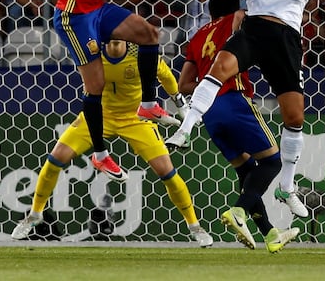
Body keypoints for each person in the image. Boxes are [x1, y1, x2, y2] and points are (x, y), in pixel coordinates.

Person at [167, 0, 325, 218]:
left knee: (294, 118)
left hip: (285, 38)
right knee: (218, 69)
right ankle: (185, 130)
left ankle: (287, 187)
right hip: (254, 28)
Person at [11, 39, 213, 247]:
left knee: (167, 172)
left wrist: (180, 104)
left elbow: (165, 76)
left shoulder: (143, 54)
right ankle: (34, 215)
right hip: (99, 116)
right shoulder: (92, 54)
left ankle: (195, 227)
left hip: (136, 119)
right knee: (55, 159)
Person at [53, 0, 175, 182]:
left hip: (96, 9)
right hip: (73, 15)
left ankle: (148, 103)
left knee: (149, 33)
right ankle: (99, 153)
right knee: (96, 86)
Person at [177, 0, 300, 252]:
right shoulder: (238, 17)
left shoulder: (198, 36)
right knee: (272, 161)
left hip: (208, 111)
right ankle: (239, 211)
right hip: (235, 100)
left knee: (247, 171)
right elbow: (244, 20)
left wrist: (208, 84)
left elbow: (184, 84)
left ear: (210, 12)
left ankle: (270, 234)